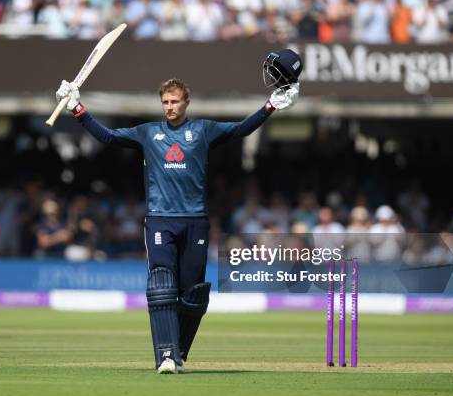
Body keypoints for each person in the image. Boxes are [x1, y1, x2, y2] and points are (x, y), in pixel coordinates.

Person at [55, 50, 300, 374]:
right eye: (165, 102)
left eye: (175, 101)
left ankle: (179, 351)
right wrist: (77, 109)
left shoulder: (203, 130)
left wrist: (270, 106)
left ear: (186, 102)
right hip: (160, 219)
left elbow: (241, 130)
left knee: (194, 294)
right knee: (162, 286)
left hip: (195, 221)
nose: (170, 107)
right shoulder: (147, 134)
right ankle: (166, 356)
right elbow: (109, 137)